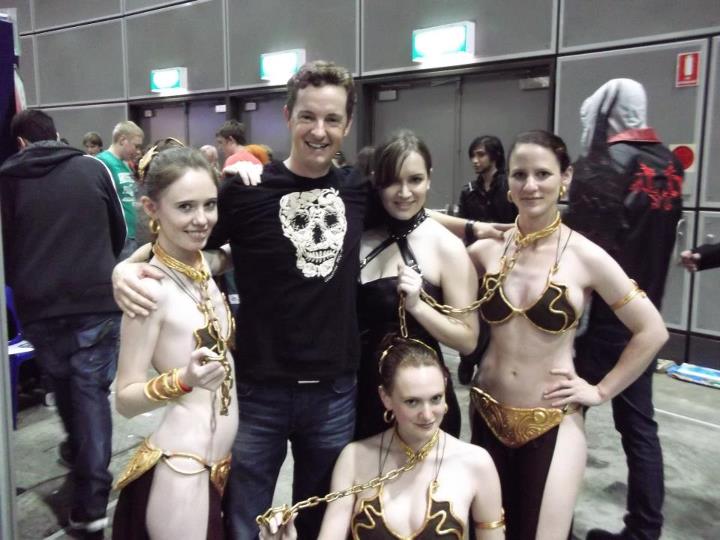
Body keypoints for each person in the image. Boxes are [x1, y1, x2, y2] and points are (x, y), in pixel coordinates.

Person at [467, 130, 669, 540]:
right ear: (508, 182)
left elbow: (652, 330)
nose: (530, 185)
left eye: (543, 173)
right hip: (486, 413)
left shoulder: (586, 256)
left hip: (552, 422)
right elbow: (420, 228)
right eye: (520, 174)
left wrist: (600, 390)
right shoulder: (486, 251)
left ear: (566, 177)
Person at [0, 110, 126, 539]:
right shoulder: (92, 168)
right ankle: (91, 503)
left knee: (66, 389)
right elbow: (118, 229)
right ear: (55, 134)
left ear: (21, 143)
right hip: (96, 300)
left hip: (39, 306)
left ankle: (79, 457)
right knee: (90, 393)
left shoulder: (8, 180)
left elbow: (5, 248)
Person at [568, 79, 683, 540]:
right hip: (645, 316)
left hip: (599, 322)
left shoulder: (602, 163)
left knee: (563, 416)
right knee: (639, 426)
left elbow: (580, 251)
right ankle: (644, 529)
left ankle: (554, 522)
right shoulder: (669, 162)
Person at [259, 335, 505, 540]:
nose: (428, 414)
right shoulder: (355, 458)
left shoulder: (476, 463)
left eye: (436, 398)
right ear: (386, 398)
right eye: (412, 402)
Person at [111, 146, 237, 539]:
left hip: (220, 462)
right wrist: (182, 380)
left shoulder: (204, 264)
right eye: (185, 207)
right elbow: (124, 399)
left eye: (209, 204)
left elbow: (237, 249)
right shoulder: (148, 290)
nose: (202, 220)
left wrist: (252, 178)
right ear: (152, 208)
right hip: (183, 466)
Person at [355, 130, 478, 440]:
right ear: (377, 181)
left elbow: (468, 340)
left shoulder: (446, 247)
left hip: (421, 404)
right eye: (393, 181)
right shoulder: (360, 237)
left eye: (415, 180)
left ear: (429, 179)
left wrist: (418, 307)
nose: (404, 192)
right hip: (359, 398)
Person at [456, 136, 518, 384]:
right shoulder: (468, 191)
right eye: (473, 155)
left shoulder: (510, 188)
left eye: (481, 154)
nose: (475, 160)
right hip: (475, 263)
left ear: (495, 155)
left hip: (507, 262)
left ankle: (489, 362)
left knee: (499, 317)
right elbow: (463, 228)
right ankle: (467, 358)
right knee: (471, 314)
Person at [96, 121, 145, 259]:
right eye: (136, 146)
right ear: (123, 140)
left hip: (132, 235)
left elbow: (127, 197)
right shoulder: (102, 162)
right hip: (118, 237)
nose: (138, 151)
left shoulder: (125, 165)